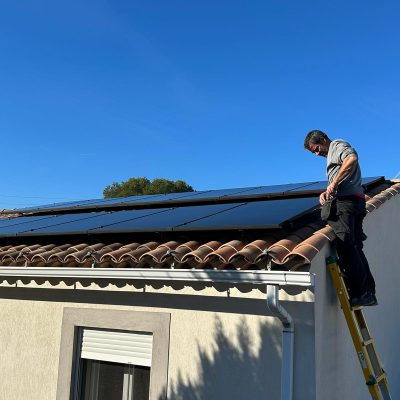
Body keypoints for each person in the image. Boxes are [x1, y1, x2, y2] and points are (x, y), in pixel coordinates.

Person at [304, 130, 377, 307]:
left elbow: (351, 159)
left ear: (322, 139)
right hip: (354, 202)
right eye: (313, 152)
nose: (317, 153)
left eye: (316, 148)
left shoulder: (337, 145)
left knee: (346, 245)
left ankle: (360, 293)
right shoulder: (332, 152)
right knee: (355, 247)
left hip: (347, 204)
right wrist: (328, 190)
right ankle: (368, 292)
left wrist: (334, 184)